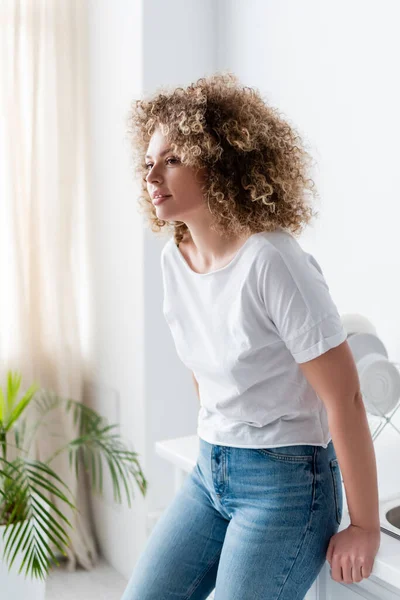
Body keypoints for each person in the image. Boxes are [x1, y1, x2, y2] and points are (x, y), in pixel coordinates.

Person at [121, 72, 380, 600]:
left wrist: (364, 525)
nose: (153, 176)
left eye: (172, 159)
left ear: (219, 161)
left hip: (285, 486)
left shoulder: (272, 260)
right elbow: (205, 374)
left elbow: (346, 397)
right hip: (209, 470)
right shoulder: (175, 259)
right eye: (149, 162)